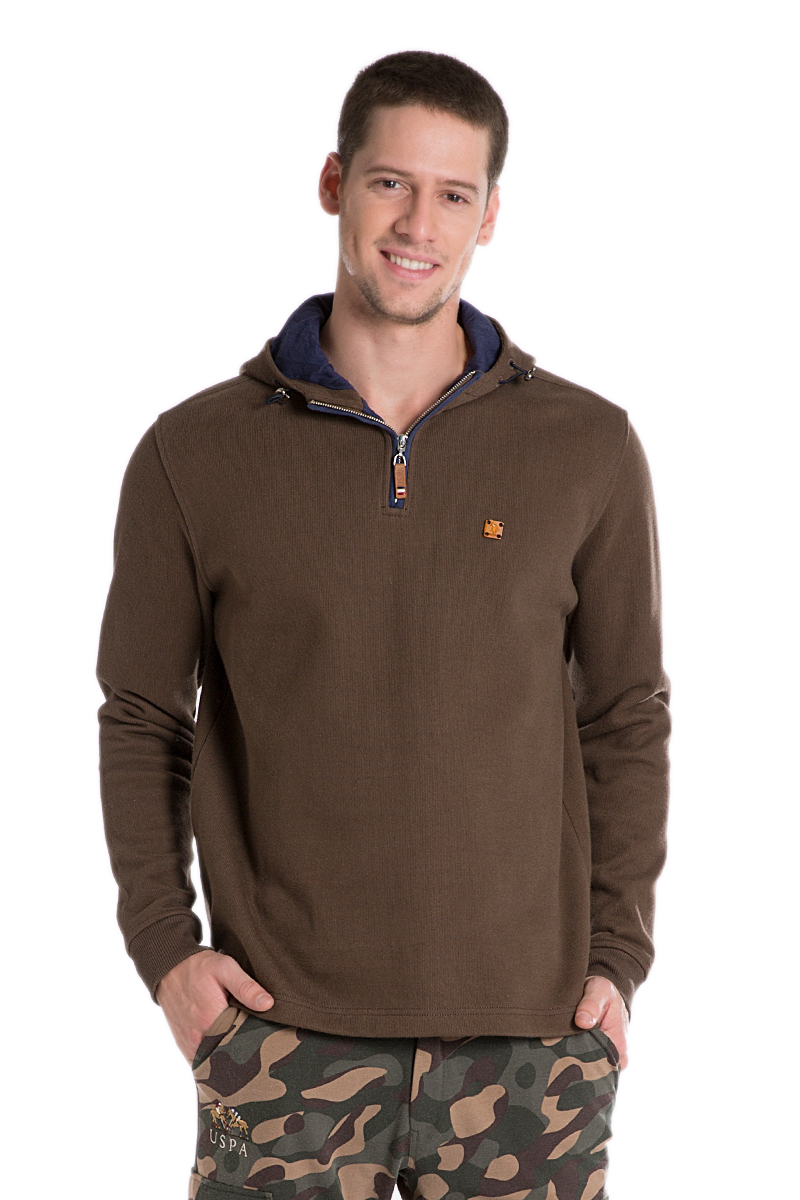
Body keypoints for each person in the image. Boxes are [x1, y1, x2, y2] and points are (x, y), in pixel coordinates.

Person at [95, 50, 671, 1200]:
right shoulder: (194, 453)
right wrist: (166, 953)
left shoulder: (586, 447)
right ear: (333, 184)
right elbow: (143, 716)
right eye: (389, 183)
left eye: (453, 193)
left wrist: (615, 959)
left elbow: (623, 716)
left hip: (532, 1044)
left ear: (488, 215)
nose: (417, 224)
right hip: (278, 1040)